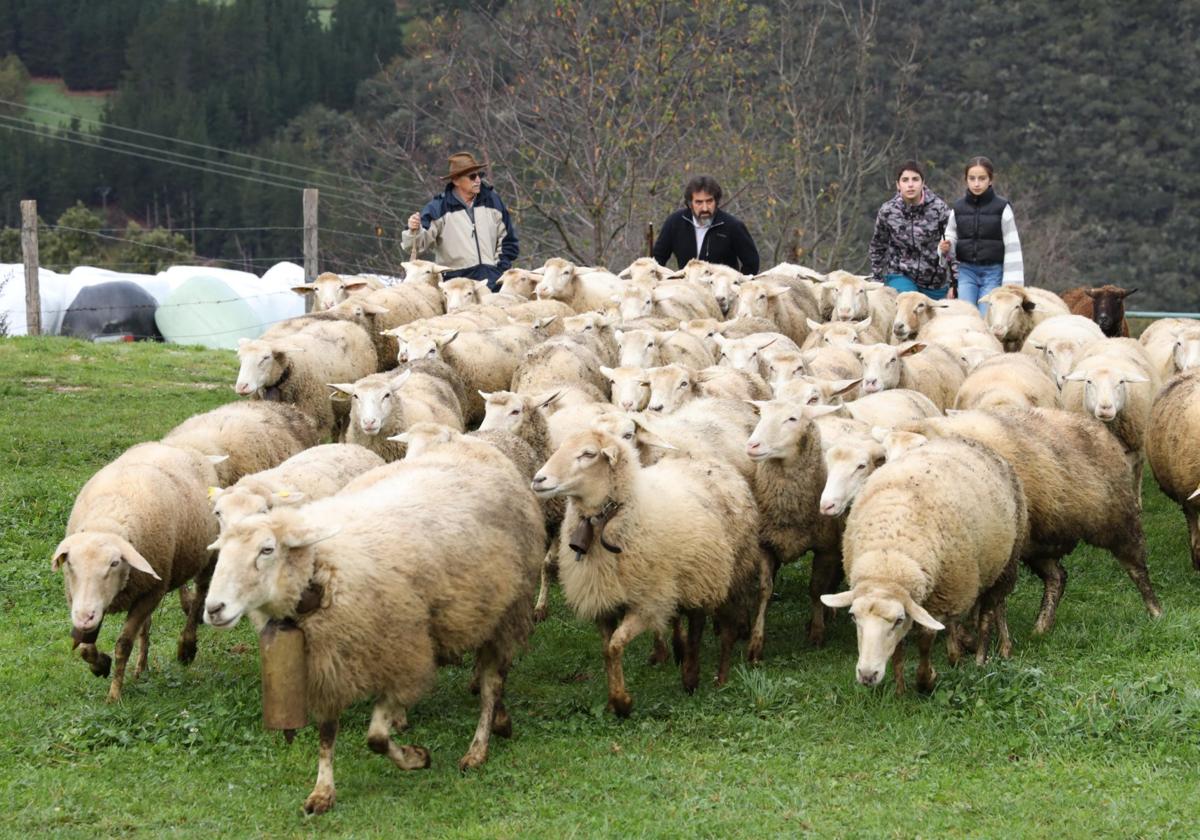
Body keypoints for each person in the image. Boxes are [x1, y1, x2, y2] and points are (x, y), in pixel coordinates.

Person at [402, 151, 519, 291]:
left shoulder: (493, 201)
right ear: (456, 180)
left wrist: (498, 270)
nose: (478, 180)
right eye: (472, 176)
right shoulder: (438, 207)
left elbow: (509, 242)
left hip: (491, 283)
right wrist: (413, 229)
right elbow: (417, 244)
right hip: (455, 287)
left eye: (479, 175)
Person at [939, 156, 1024, 315]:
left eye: (982, 178)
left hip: (993, 272)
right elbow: (950, 235)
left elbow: (1013, 246)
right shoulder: (958, 207)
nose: (976, 183)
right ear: (966, 180)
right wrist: (945, 246)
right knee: (965, 315)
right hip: (966, 272)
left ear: (990, 180)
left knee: (987, 316)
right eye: (972, 178)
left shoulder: (1002, 208)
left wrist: (1012, 286)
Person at [869, 160, 951, 299]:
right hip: (900, 275)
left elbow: (953, 244)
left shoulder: (939, 209)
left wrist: (956, 282)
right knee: (909, 303)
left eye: (915, 179)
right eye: (905, 180)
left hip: (934, 281)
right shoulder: (888, 211)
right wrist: (877, 279)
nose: (910, 184)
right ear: (898, 185)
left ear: (923, 182)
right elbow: (878, 246)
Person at [652, 175, 759, 274]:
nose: (705, 208)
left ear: (716, 201)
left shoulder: (732, 226)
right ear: (690, 204)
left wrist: (736, 287)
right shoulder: (675, 222)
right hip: (686, 289)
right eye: (699, 202)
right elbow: (657, 260)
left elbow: (751, 264)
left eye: (709, 201)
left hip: (720, 291)